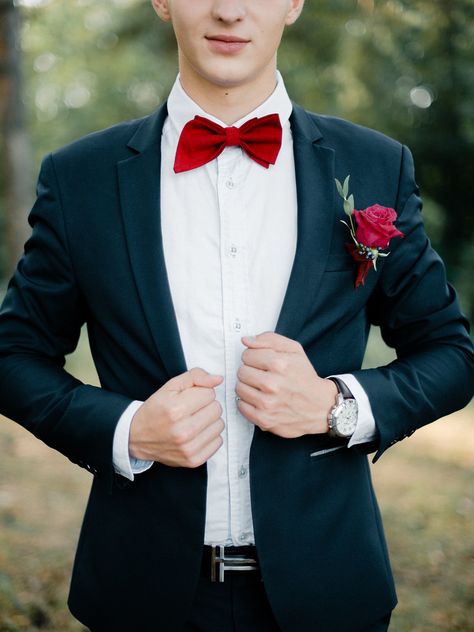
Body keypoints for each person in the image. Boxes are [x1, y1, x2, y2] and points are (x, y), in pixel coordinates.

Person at [0, 0, 472, 630]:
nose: (228, 10)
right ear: (162, 2)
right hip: (140, 595)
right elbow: (13, 356)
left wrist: (336, 406)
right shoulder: (80, 179)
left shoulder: (376, 166)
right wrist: (126, 430)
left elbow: (451, 353)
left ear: (294, 4)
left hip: (329, 590)